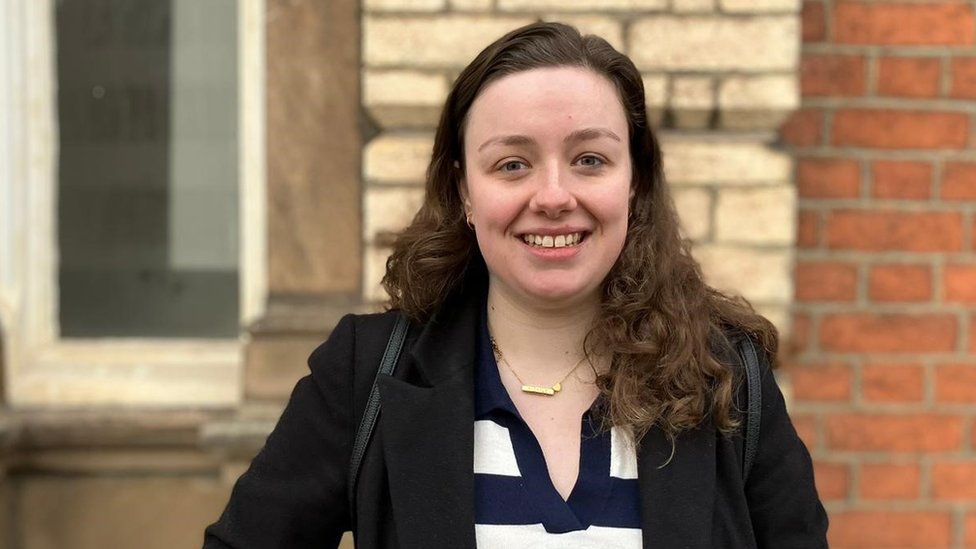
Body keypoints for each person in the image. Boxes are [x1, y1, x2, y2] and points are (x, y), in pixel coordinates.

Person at [204, 21, 828, 548]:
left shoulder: (729, 380)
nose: (554, 197)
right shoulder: (365, 372)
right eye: (512, 164)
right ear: (463, 192)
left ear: (634, 183)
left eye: (590, 159)